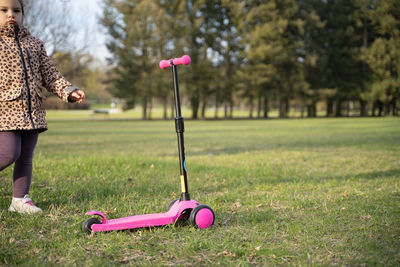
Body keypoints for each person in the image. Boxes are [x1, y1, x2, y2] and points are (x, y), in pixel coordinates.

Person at [0, 0, 85, 214]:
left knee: (26, 156)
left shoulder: (35, 44)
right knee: (9, 152)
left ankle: (19, 200)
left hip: (33, 111)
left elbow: (50, 74)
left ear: (22, 14)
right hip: (5, 111)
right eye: (4, 10)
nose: (11, 14)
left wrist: (68, 90)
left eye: (16, 10)